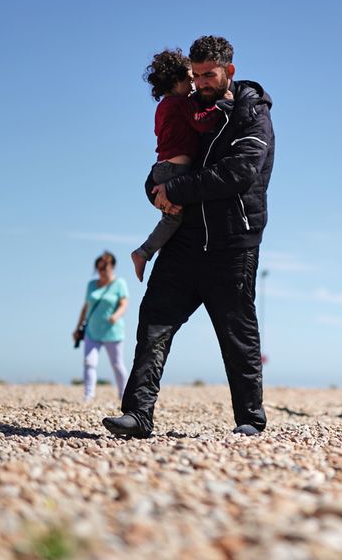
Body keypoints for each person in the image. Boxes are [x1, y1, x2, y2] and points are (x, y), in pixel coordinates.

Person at [103, 36, 275, 438]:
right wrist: (155, 191)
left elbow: (239, 173)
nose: (200, 83)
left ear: (228, 71)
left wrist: (175, 191)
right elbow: (166, 161)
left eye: (208, 75)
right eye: (195, 76)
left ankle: (250, 420)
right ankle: (138, 414)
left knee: (237, 333)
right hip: (186, 240)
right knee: (154, 324)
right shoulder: (188, 104)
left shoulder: (254, 114)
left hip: (234, 242)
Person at [130, 48, 226, 282]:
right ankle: (143, 253)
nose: (194, 85)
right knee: (176, 218)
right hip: (175, 170)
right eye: (189, 80)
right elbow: (201, 124)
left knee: (174, 220)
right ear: (175, 81)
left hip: (163, 168)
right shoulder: (179, 103)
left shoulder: (163, 106)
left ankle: (160, 251)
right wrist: (222, 105)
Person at [73, 252, 129, 402]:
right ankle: (88, 395)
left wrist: (116, 315)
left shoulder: (119, 283)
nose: (102, 271)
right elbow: (86, 307)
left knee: (117, 364)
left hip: (113, 332)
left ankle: (123, 394)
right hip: (92, 331)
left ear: (112, 267)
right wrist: (77, 328)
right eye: (99, 268)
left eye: (105, 268)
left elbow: (124, 304)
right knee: (89, 362)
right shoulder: (91, 285)